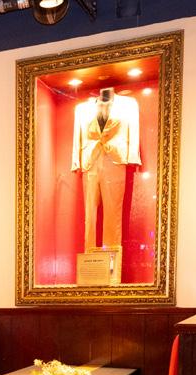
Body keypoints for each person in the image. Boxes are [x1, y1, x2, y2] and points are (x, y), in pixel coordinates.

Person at [72, 87, 141, 253]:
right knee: (89, 214)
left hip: (115, 160)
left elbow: (133, 128)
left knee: (113, 213)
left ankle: (111, 263)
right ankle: (90, 259)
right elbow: (77, 135)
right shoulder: (81, 109)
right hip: (90, 161)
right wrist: (76, 161)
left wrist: (133, 156)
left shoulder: (129, 104)